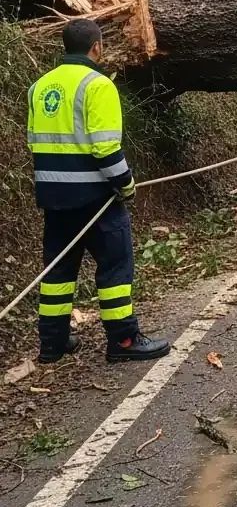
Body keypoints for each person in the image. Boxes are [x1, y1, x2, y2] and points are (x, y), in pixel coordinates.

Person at [27, 19, 170, 363]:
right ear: (96, 47)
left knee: (58, 270)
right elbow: (106, 148)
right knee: (115, 266)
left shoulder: (39, 87)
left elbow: (34, 141)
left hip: (53, 196)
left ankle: (52, 342)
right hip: (96, 198)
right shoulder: (98, 85)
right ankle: (123, 341)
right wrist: (125, 183)